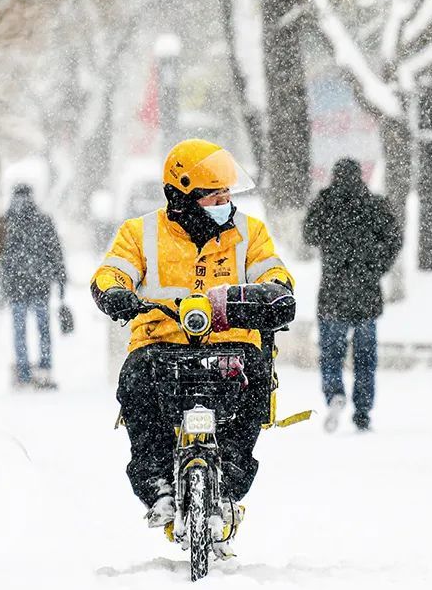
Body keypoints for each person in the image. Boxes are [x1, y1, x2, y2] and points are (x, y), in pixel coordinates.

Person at [90, 139, 294, 557]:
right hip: (159, 348)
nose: (225, 202)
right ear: (182, 196)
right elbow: (111, 272)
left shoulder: (248, 233)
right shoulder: (139, 233)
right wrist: (115, 292)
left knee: (258, 378)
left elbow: (272, 269)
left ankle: (231, 480)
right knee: (135, 384)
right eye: (213, 195)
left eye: (227, 193)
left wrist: (274, 291)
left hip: (231, 346)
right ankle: (158, 485)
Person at [303, 159, 402, 433]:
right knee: (365, 357)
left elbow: (308, 235)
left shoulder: (327, 204)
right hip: (366, 294)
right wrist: (376, 266)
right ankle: (363, 410)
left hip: (333, 293)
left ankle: (334, 392)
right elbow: (395, 238)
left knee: (331, 353)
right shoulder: (373, 205)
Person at [0, 184, 67, 389]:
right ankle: (44, 371)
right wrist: (61, 281)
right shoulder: (43, 221)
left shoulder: (3, 223)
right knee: (43, 329)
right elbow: (56, 253)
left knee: (20, 330)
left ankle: (24, 372)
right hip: (40, 285)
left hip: (16, 286)